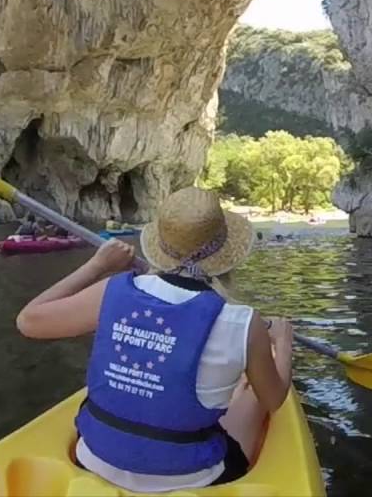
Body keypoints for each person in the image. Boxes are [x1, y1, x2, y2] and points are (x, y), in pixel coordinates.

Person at [15, 187, 293, 491]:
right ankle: (239, 391)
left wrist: (97, 266)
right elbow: (275, 399)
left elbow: (28, 321)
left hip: (93, 458)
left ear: (160, 245)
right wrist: (282, 343)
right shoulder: (243, 322)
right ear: (224, 255)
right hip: (192, 477)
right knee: (253, 393)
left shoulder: (111, 290)